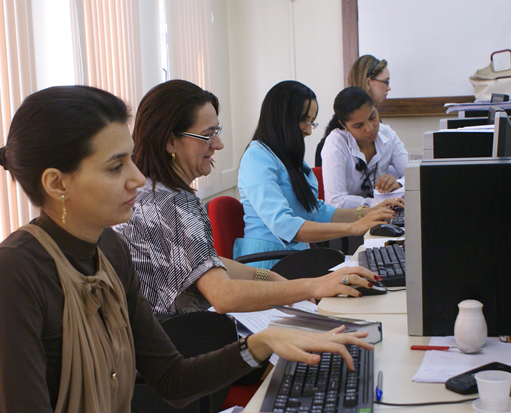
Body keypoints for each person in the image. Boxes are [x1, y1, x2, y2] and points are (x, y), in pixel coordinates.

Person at [0, 85, 374, 413]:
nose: (137, 179)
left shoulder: (109, 250)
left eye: (131, 160)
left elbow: (172, 380)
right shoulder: (12, 273)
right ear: (57, 183)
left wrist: (259, 344)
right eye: (116, 166)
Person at [114, 80, 381, 317]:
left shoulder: (148, 194)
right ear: (170, 142)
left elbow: (202, 262)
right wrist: (313, 285)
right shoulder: (177, 204)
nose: (218, 144)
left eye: (217, 132)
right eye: (207, 135)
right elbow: (222, 295)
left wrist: (268, 276)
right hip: (183, 339)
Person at [234, 80, 403, 268]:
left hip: (294, 257)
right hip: (266, 263)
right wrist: (354, 227)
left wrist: (366, 212)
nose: (308, 130)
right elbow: (283, 225)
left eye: (311, 122)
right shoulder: (256, 157)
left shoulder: (287, 157)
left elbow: (316, 211)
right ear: (282, 118)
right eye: (304, 121)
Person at [320, 86, 407, 209]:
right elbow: (336, 202)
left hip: (385, 211)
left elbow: (415, 175)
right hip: (351, 218)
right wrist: (377, 203)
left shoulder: (387, 133)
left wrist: (398, 184)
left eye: (372, 117)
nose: (370, 128)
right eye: (358, 125)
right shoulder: (336, 143)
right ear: (344, 125)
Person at [315, 54, 395, 167]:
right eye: (386, 82)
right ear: (368, 82)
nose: (388, 88)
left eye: (372, 117)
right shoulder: (336, 140)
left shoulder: (384, 131)